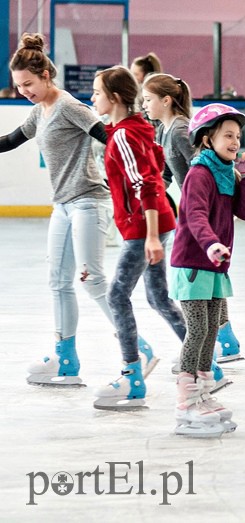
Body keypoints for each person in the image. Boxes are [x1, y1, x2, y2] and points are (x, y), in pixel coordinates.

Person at [1, 33, 150, 386]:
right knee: (58, 282)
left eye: (28, 84)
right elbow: (9, 141)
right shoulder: (39, 112)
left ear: (45, 76)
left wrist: (136, 177)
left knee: (93, 280)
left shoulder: (68, 106)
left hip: (88, 201)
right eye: (18, 86)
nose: (23, 91)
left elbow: (111, 137)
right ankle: (66, 359)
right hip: (63, 205)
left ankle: (138, 348)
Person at [90, 66, 184, 410]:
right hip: (150, 224)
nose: (93, 99)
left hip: (144, 228)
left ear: (115, 98)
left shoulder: (124, 136)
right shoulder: (133, 129)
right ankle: (206, 363)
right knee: (158, 298)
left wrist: (151, 236)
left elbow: (147, 183)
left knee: (117, 296)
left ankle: (132, 377)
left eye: (97, 93)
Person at [142, 74, 245, 366]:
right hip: (197, 211)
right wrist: (147, 198)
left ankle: (218, 344)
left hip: (205, 212)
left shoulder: (179, 130)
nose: (144, 105)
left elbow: (203, 163)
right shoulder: (164, 130)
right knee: (205, 278)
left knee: (204, 278)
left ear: (166, 101)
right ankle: (224, 341)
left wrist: (207, 200)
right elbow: (165, 173)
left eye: (148, 99)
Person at [170, 103, 245, 437]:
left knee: (211, 330)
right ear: (207, 139)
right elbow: (194, 215)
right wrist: (210, 244)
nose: (235, 142)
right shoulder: (200, 174)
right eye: (228, 135)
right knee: (197, 330)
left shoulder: (226, 173)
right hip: (193, 263)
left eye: (237, 136)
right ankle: (186, 400)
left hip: (215, 265)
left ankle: (203, 392)